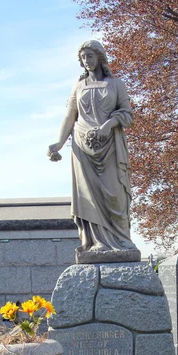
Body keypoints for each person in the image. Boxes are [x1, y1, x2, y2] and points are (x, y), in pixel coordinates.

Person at [47, 40, 137, 253]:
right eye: (83, 57)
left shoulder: (116, 84)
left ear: (99, 57)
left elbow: (128, 115)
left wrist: (108, 125)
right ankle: (97, 243)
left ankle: (121, 241)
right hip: (82, 146)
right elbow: (70, 116)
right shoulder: (78, 86)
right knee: (88, 197)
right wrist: (58, 144)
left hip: (110, 147)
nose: (86, 61)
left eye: (90, 56)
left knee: (115, 195)